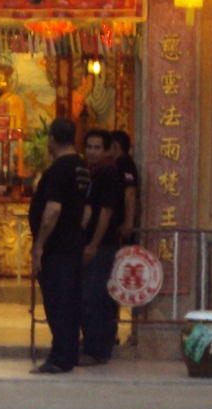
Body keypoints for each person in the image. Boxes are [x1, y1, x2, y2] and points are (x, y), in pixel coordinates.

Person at [27, 117, 90, 375]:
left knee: (58, 303)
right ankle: (69, 353)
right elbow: (86, 210)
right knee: (70, 301)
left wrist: (39, 245)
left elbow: (53, 209)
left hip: (57, 249)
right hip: (72, 244)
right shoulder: (82, 167)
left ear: (52, 139)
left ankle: (60, 357)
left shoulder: (58, 169)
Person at [79, 129, 124, 367]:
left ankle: (94, 349)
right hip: (95, 243)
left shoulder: (108, 174)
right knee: (98, 296)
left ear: (107, 150)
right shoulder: (93, 173)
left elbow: (105, 212)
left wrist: (93, 245)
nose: (92, 152)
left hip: (101, 244)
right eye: (89, 147)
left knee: (92, 297)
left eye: (97, 148)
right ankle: (100, 346)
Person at [110, 130, 140, 246]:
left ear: (115, 146)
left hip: (121, 222)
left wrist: (128, 222)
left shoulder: (125, 163)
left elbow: (130, 191)